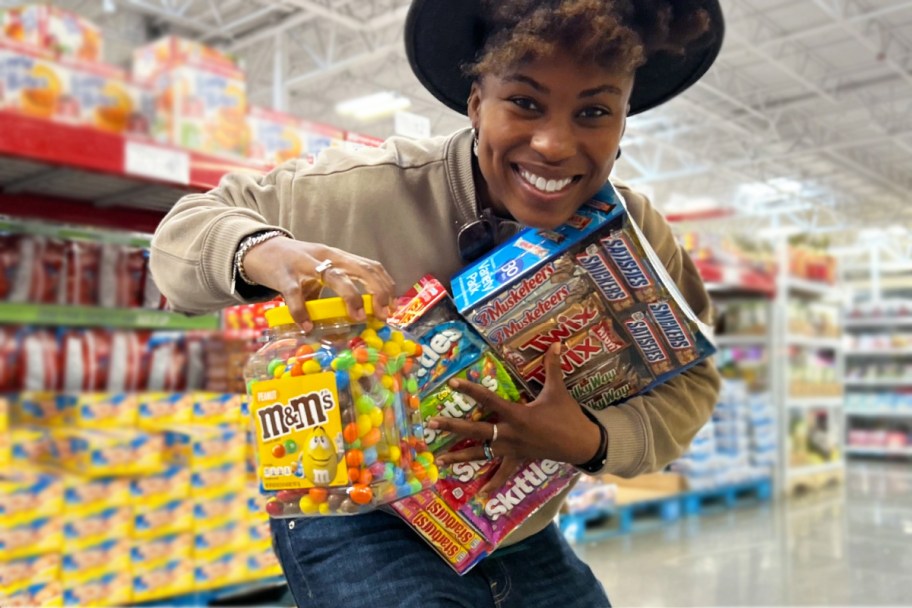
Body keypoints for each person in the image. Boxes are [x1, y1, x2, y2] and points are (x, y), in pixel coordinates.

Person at [150, 0, 725, 606]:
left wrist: (588, 440)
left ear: (624, 120)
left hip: (515, 528)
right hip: (358, 515)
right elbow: (182, 237)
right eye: (524, 103)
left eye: (594, 112)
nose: (555, 144)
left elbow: (692, 380)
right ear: (476, 103)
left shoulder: (636, 235)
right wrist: (269, 254)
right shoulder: (361, 191)